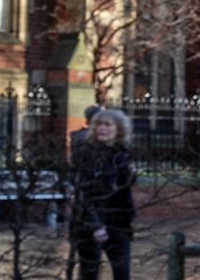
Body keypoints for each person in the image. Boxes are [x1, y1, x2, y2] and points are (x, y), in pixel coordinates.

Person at [72, 106, 137, 280]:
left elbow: (123, 193)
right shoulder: (88, 154)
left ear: (119, 129)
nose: (102, 129)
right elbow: (83, 192)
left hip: (119, 222)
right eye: (99, 125)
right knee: (89, 273)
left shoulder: (123, 155)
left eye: (108, 125)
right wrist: (95, 225)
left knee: (122, 272)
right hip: (92, 223)